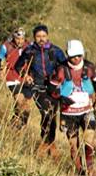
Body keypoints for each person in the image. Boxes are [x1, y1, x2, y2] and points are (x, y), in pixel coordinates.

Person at [50, 40, 96, 176]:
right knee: (74, 145)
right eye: (73, 56)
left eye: (79, 55)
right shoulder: (61, 69)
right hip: (68, 113)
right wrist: (61, 98)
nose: (76, 59)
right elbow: (52, 88)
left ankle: (89, 166)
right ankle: (79, 172)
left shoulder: (89, 67)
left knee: (90, 139)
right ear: (68, 55)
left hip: (87, 110)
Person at [15, 24, 67, 156]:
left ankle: (51, 143)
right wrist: (25, 75)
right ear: (34, 37)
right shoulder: (29, 51)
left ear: (47, 36)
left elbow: (65, 67)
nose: (41, 39)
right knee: (46, 111)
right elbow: (18, 66)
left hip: (53, 87)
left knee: (52, 115)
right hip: (37, 86)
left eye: (44, 36)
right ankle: (44, 142)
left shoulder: (56, 51)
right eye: (38, 36)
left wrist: (60, 78)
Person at [0, 27, 30, 126]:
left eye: (22, 39)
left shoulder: (28, 46)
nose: (20, 41)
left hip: (24, 77)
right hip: (11, 77)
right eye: (18, 39)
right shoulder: (6, 46)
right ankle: (21, 127)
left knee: (24, 105)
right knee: (22, 104)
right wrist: (0, 70)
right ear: (14, 38)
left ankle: (13, 124)